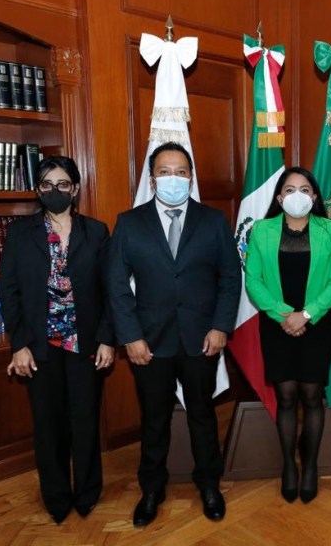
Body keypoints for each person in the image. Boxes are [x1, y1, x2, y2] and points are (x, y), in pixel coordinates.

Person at [107, 141, 241, 527]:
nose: (173, 178)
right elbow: (116, 285)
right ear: (152, 180)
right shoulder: (129, 223)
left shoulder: (213, 221)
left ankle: (209, 485)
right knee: (154, 420)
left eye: (181, 172)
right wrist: (130, 337)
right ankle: (152, 490)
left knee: (203, 415)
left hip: (202, 339)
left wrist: (221, 327)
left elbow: (230, 278)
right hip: (149, 343)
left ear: (191, 177)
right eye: (164, 172)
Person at [0, 155, 115, 524]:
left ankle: (87, 493)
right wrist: (19, 345)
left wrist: (108, 339)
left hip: (85, 346)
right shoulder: (20, 233)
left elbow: (112, 290)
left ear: (75, 188)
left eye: (62, 184)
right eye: (46, 185)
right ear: (38, 190)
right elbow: (9, 292)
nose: (54, 191)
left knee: (85, 421)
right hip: (39, 347)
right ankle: (57, 498)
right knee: (48, 426)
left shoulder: (96, 232)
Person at [244, 167, 331, 504]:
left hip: (317, 324)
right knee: (286, 395)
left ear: (314, 197)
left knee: (312, 394)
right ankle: (289, 464)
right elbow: (253, 281)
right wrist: (283, 315)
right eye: (290, 190)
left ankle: (311, 465)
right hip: (277, 326)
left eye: (305, 189)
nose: (297, 195)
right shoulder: (261, 231)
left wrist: (305, 314)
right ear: (279, 198)